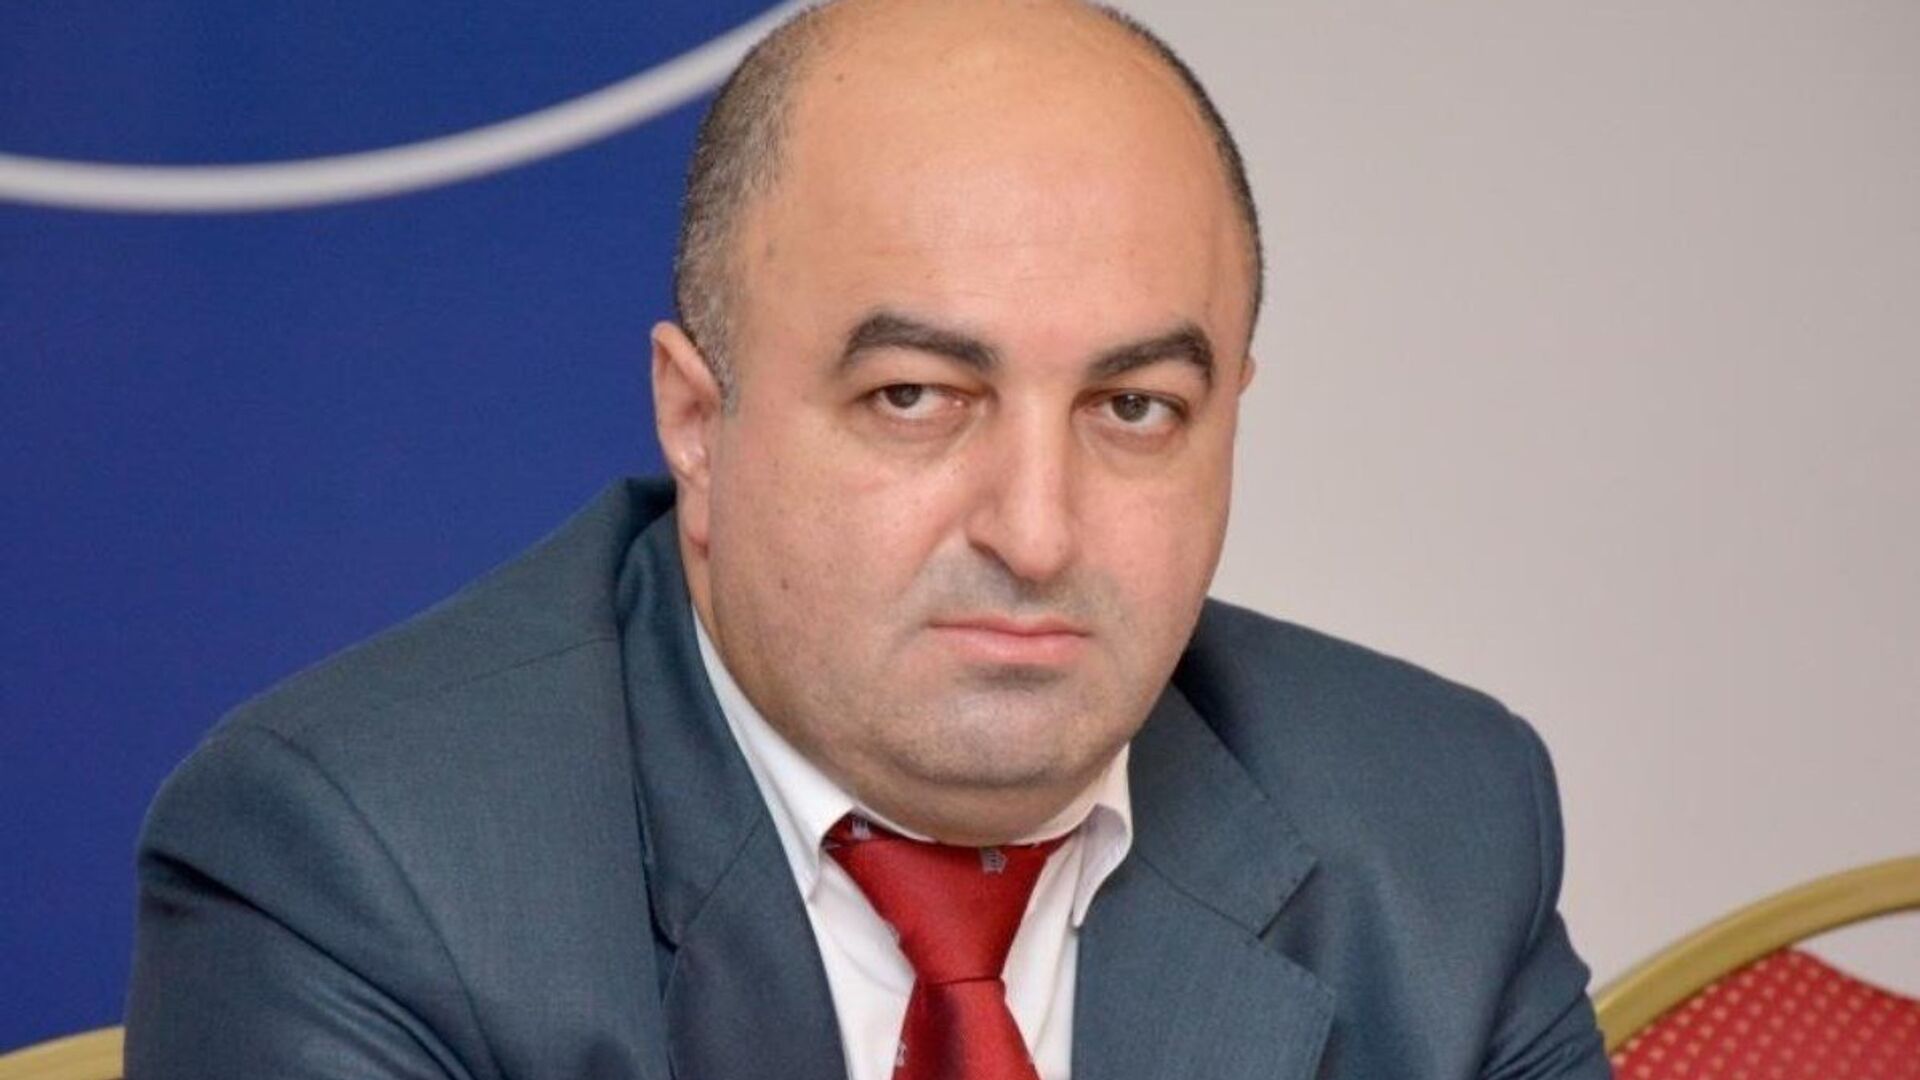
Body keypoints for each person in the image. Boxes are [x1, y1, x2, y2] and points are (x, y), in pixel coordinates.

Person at [126, 1, 1610, 1077]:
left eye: (1134, 408)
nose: (1037, 532)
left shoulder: (1434, 826)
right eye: (915, 397)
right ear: (697, 420)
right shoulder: (367, 869)